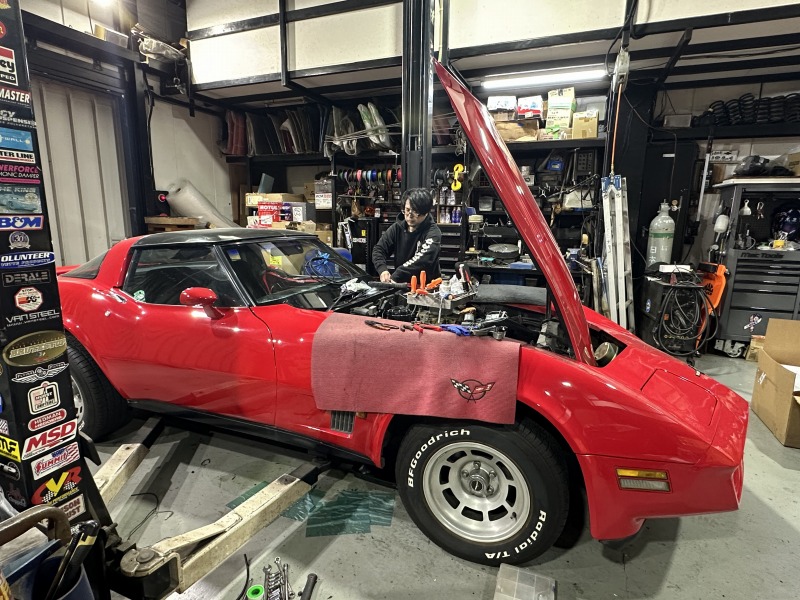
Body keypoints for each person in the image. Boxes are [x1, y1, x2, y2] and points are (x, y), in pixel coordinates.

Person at [372, 188, 442, 283]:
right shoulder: (397, 228)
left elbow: (423, 260)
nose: (410, 215)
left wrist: (396, 276)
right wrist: (382, 269)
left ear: (426, 212)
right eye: (407, 210)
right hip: (401, 285)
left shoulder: (433, 232)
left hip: (426, 287)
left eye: (416, 211)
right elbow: (379, 249)